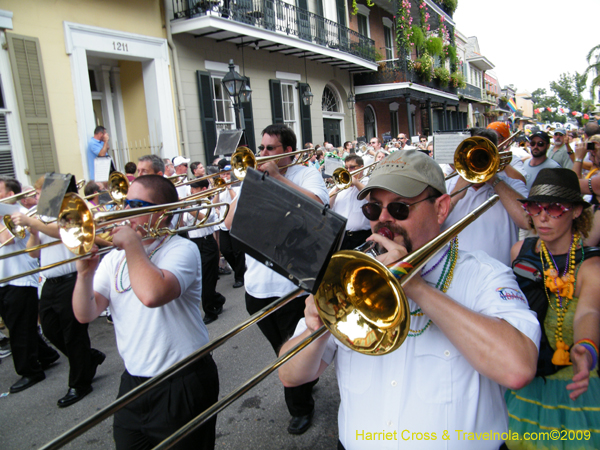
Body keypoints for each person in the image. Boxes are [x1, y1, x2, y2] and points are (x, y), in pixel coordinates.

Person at [279, 149, 540, 450]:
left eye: (400, 208)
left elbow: (517, 368)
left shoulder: (483, 275)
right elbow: (290, 375)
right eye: (373, 209)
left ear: (441, 209)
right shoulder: (347, 277)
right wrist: (314, 330)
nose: (384, 220)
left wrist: (416, 286)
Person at [72, 175, 219, 449]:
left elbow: (152, 295)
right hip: (133, 383)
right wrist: (84, 274)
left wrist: (131, 244)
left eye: (136, 204)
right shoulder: (113, 259)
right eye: (126, 202)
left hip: (183, 379)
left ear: (161, 214)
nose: (126, 211)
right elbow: (85, 313)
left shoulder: (182, 249)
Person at [225, 124, 329, 435]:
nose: (263, 153)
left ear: (287, 151)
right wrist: (251, 183)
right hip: (257, 288)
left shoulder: (306, 173)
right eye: (263, 147)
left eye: (270, 148)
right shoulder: (255, 178)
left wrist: (279, 178)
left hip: (293, 287)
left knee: (292, 348)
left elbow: (320, 206)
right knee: (281, 349)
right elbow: (229, 223)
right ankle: (304, 378)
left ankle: (300, 407)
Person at [505, 168, 600, 449]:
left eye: (555, 207)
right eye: (534, 206)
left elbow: (589, 311)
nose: (542, 216)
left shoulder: (591, 265)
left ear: (576, 212)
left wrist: (586, 346)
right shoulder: (519, 251)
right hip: (526, 382)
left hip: (573, 387)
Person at [11, 176, 105, 407]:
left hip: (72, 278)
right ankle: (88, 357)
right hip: (50, 281)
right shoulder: (38, 216)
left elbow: (62, 232)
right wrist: (32, 230)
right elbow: (33, 253)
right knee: (51, 330)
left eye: (40, 189)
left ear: (54, 190)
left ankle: (80, 383)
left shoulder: (71, 209)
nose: (36, 194)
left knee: (73, 333)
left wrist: (33, 223)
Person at [0, 176, 60, 394]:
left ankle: (31, 371)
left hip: (21, 278)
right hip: (4, 279)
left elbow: (8, 239)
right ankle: (46, 355)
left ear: (9, 195)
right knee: (17, 325)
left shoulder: (21, 215)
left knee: (19, 329)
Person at [445, 128, 530, 266]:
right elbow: (430, 226)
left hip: (499, 278)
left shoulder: (512, 185)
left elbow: (527, 221)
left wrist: (494, 180)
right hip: (451, 277)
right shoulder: (445, 186)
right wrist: (455, 195)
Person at [185, 179, 226, 325]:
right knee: (200, 280)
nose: (191, 192)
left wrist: (187, 206)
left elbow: (204, 218)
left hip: (207, 243)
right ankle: (218, 299)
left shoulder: (207, 204)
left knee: (207, 281)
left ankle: (210, 311)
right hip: (193, 244)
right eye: (191, 189)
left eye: (194, 189)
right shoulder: (191, 204)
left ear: (203, 189)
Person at [329, 155, 370, 250]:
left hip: (361, 237)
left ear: (361, 168)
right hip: (341, 236)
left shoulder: (367, 183)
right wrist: (336, 188)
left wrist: (356, 183)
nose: (348, 170)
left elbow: (372, 198)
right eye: (346, 168)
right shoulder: (340, 186)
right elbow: (327, 206)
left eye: (352, 167)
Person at [215, 158, 245, 289]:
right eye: (223, 174)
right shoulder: (218, 186)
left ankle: (239, 277)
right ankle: (240, 270)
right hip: (223, 223)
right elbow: (214, 203)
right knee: (225, 250)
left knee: (238, 252)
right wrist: (218, 190)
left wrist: (229, 188)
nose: (225, 176)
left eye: (227, 174)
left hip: (235, 222)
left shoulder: (238, 185)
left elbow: (236, 200)